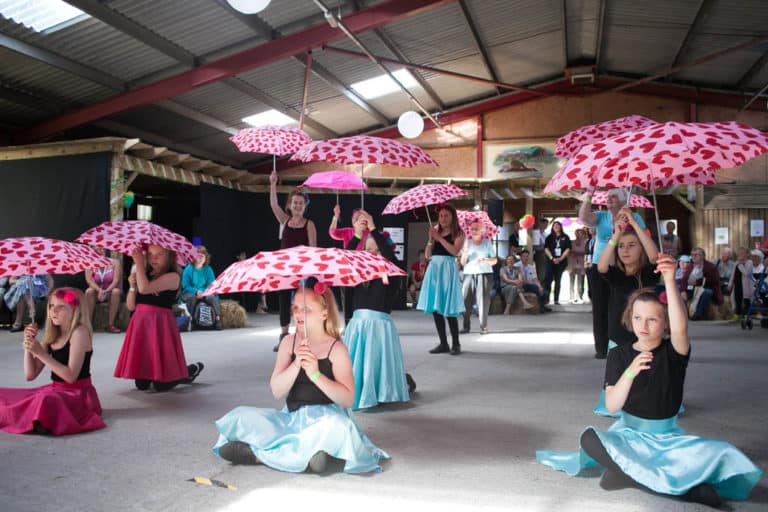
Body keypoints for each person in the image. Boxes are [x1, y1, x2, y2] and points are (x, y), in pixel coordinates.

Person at [536, 254, 763, 508]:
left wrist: (670, 280)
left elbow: (680, 328)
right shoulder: (618, 355)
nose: (643, 326)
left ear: (665, 323)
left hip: (669, 440)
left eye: (652, 319)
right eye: (637, 318)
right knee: (589, 438)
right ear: (630, 318)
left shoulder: (674, 352)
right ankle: (670, 486)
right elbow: (612, 405)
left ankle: (629, 475)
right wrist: (630, 372)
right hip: (628, 437)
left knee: (723, 453)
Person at [212, 281, 389, 473]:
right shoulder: (289, 343)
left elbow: (347, 400)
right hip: (292, 418)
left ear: (324, 314)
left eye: (306, 309)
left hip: (326, 418)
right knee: (240, 416)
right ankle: (309, 457)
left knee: (338, 427)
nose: (298, 313)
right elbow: (277, 391)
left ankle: (259, 455)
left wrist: (315, 374)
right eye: (295, 307)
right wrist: (296, 363)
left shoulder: (336, 348)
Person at [0, 288, 105, 435]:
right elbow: (30, 375)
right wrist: (28, 345)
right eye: (51, 306)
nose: (54, 311)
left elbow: (70, 376)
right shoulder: (53, 335)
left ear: (75, 310)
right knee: (9, 397)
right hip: (56, 390)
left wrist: (41, 353)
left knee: (44, 400)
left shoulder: (79, 332)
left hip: (78, 394)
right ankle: (41, 419)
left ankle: (42, 419)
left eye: (61, 307)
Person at [593, 207, 659, 417]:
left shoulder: (648, 274)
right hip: (618, 332)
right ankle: (616, 400)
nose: (625, 250)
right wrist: (616, 235)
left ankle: (646, 400)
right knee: (618, 371)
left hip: (644, 332)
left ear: (640, 249)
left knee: (646, 368)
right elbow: (601, 267)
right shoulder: (616, 275)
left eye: (632, 246)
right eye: (622, 247)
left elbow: (654, 256)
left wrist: (634, 223)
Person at [343, 213, 412, 409]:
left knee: (377, 363)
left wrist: (373, 230)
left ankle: (383, 390)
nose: (372, 253)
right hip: (358, 326)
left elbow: (390, 257)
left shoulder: (391, 273)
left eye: (377, 250)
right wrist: (357, 235)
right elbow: (345, 258)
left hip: (380, 328)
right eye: (368, 249)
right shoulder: (358, 273)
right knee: (359, 363)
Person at [114, 245, 204, 391]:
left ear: (169, 256)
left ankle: (187, 371)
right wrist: (132, 286)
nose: (153, 258)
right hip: (141, 324)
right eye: (150, 254)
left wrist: (139, 264)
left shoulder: (173, 276)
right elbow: (131, 306)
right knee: (141, 385)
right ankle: (179, 373)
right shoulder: (144, 274)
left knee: (161, 385)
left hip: (160, 324)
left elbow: (145, 288)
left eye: (159, 254)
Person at [580, 188, 647, 359]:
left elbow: (642, 238)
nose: (609, 199)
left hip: (624, 267)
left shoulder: (634, 217)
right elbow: (583, 218)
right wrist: (589, 196)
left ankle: (623, 344)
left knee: (622, 306)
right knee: (599, 308)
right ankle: (601, 348)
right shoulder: (601, 216)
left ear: (624, 200)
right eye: (607, 197)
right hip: (600, 266)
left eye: (614, 197)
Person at [270, 170, 317, 349]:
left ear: (304, 206)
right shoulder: (285, 220)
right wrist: (273, 183)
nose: (298, 205)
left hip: (303, 271)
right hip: (285, 270)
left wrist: (309, 271)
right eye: (295, 202)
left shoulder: (309, 224)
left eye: (300, 203)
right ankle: (284, 336)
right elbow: (274, 205)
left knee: (301, 304)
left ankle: (302, 337)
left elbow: (313, 249)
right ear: (290, 205)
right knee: (283, 301)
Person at [418, 204, 465, 355]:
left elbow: (455, 251)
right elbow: (427, 255)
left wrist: (439, 238)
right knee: (436, 308)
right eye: (441, 216)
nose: (443, 219)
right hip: (434, 270)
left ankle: (456, 344)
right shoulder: (435, 231)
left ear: (453, 217)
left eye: (446, 216)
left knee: (449, 308)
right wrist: (430, 239)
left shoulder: (459, 233)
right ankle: (443, 343)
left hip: (447, 269)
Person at [329, 204, 370, 323]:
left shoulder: (370, 234)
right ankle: (348, 325)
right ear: (352, 220)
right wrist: (336, 216)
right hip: (348, 272)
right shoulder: (348, 231)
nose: (358, 221)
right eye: (356, 218)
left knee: (362, 301)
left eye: (361, 218)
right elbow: (332, 233)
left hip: (364, 272)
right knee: (347, 300)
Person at [460, 221, 497, 335]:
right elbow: (462, 263)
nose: (474, 231)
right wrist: (465, 251)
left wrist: (485, 260)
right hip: (469, 273)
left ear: (482, 231)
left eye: (476, 229)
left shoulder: (487, 243)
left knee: (483, 300)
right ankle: (466, 326)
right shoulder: (467, 242)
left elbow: (494, 260)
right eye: (472, 229)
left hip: (484, 273)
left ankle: (483, 326)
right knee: (466, 300)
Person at [181, 245, 222, 330]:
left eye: (202, 256)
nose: (200, 258)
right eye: (198, 256)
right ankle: (191, 321)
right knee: (192, 297)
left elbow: (211, 285)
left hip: (206, 292)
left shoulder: (208, 269)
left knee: (211, 297)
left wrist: (202, 292)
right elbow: (185, 286)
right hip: (191, 292)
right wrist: (196, 292)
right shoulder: (188, 269)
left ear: (206, 257)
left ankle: (217, 319)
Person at [84, 248, 123, 333]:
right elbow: (89, 281)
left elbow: (116, 280)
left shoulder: (115, 262)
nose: (100, 251)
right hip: (97, 293)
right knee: (89, 291)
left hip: (110, 292)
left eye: (101, 249)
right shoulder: (89, 264)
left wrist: (106, 291)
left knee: (116, 291)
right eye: (97, 250)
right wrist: (99, 291)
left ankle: (111, 325)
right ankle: (88, 324)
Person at [680, 247, 723, 321]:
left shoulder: (710, 267)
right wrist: (683, 290)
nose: (693, 257)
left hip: (704, 288)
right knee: (678, 291)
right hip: (690, 288)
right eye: (692, 255)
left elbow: (714, 281)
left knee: (708, 292)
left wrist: (698, 282)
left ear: (703, 256)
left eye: (696, 255)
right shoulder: (690, 266)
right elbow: (684, 279)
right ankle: (683, 314)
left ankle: (698, 314)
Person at [543, 221, 571, 305]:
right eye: (554, 225)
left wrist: (561, 258)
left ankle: (556, 299)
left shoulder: (565, 237)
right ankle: (546, 298)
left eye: (558, 225)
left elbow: (568, 248)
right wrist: (552, 258)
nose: (556, 227)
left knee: (558, 280)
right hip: (550, 261)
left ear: (561, 227)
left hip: (561, 262)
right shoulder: (549, 237)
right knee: (548, 279)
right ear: (552, 227)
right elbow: (546, 248)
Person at [728, 247, 755, 319]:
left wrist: (740, 265)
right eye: (739, 253)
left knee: (746, 300)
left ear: (747, 254)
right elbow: (733, 274)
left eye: (742, 253)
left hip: (746, 285)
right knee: (737, 299)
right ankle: (737, 314)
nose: (740, 255)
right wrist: (730, 284)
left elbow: (746, 273)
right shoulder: (736, 263)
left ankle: (747, 315)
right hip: (737, 284)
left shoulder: (749, 262)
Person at [568, 228, 587, 303]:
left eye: (580, 233)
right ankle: (571, 297)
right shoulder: (571, 242)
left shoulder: (585, 243)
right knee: (571, 281)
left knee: (580, 282)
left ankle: (579, 297)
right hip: (572, 264)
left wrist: (576, 253)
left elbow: (586, 252)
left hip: (582, 264)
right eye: (577, 233)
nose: (579, 235)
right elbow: (569, 252)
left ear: (583, 234)